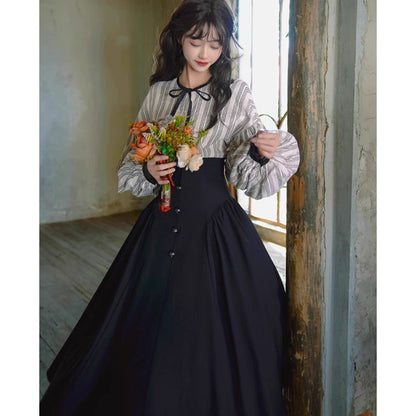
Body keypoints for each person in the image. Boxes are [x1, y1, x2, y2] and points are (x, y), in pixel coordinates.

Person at [40, 0, 300, 414]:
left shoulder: (235, 95)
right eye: (196, 40)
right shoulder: (159, 93)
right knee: (144, 319)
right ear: (179, 38)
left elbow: (245, 174)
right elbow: (132, 161)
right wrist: (149, 170)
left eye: (215, 44)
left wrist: (260, 151)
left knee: (243, 311)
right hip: (160, 222)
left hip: (216, 224)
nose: (204, 52)